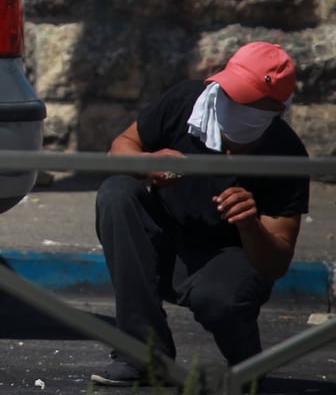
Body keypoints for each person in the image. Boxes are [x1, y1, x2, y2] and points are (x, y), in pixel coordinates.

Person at [91, 41, 309, 387]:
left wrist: (249, 224)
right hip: (166, 245)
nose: (229, 102)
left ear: (275, 110)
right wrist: (146, 164)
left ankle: (248, 368)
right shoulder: (188, 101)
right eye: (228, 91)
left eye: (245, 99)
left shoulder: (287, 153)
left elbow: (276, 261)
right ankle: (143, 354)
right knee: (118, 192)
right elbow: (121, 146)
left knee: (219, 298)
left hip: (226, 262)